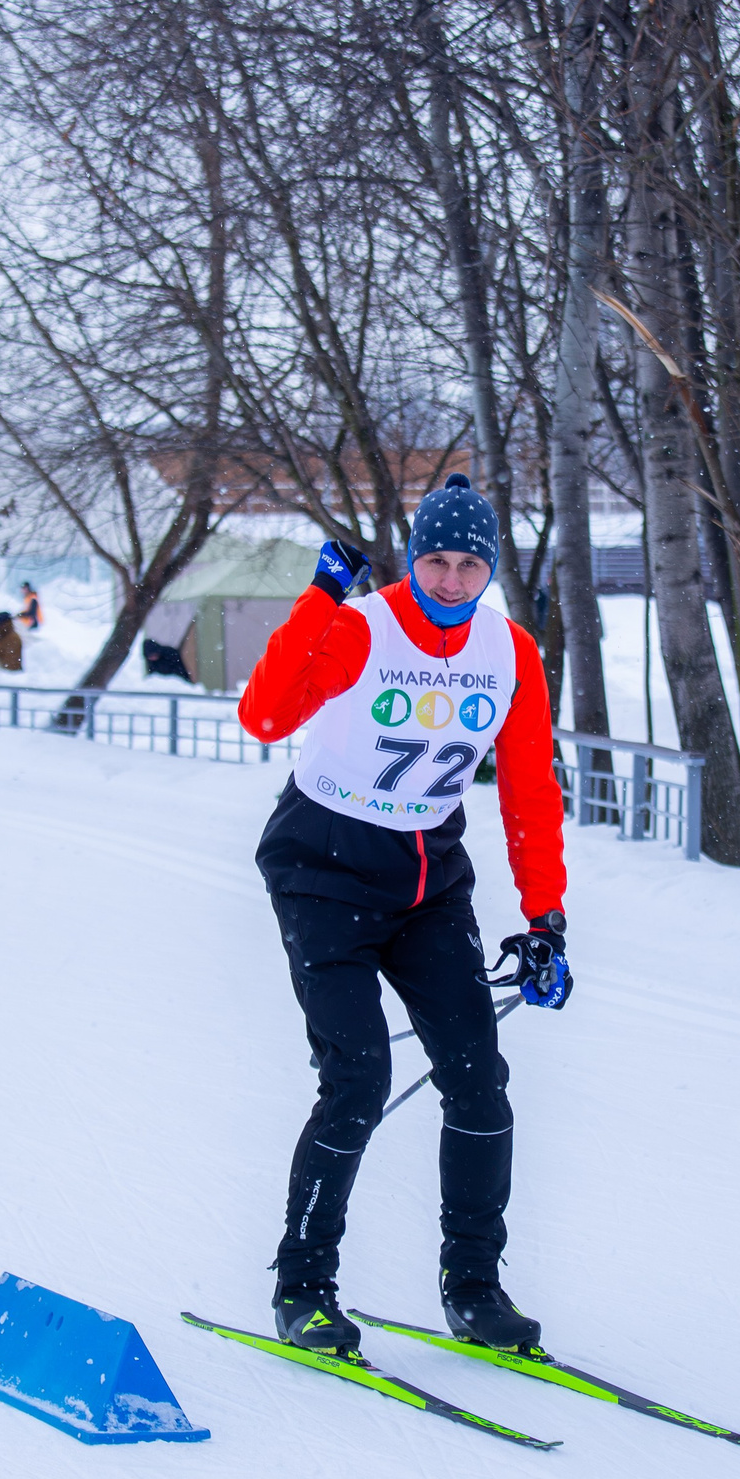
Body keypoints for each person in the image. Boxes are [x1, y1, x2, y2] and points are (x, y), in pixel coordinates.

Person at [237, 473, 573, 1356]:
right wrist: (319, 596)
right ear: (413, 556)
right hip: (322, 870)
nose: (452, 580)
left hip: (428, 876)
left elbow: (532, 793)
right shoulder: (360, 626)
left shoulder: (511, 652)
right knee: (356, 1081)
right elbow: (264, 715)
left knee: (479, 1079)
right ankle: (302, 1289)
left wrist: (547, 919)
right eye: (435, 560)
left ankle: (474, 1289)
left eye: (470, 565)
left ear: (490, 568)